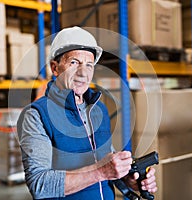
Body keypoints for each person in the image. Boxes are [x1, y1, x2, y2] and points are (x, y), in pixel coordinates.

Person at [17, 26, 157, 200]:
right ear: (55, 68)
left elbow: (105, 162)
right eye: (74, 63)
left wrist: (128, 179)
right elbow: (39, 184)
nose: (83, 73)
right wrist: (101, 172)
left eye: (89, 65)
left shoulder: (98, 110)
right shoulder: (36, 115)